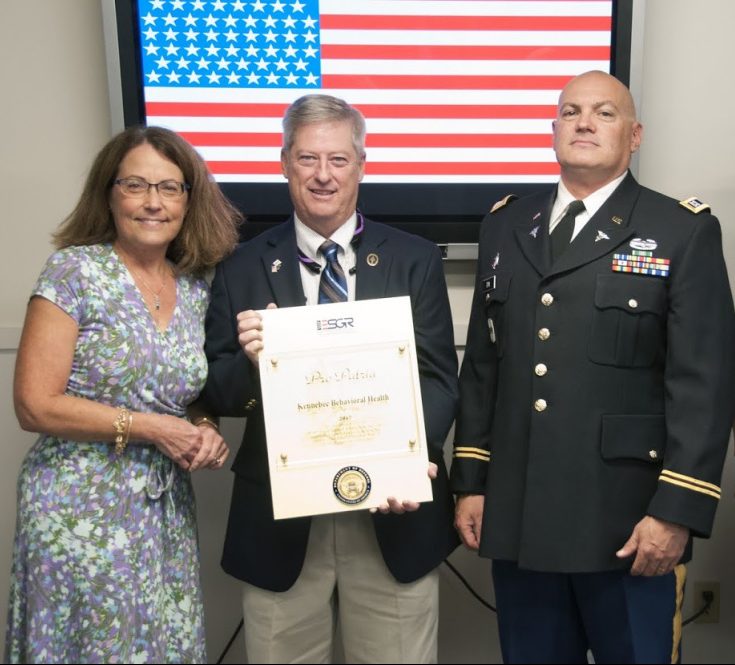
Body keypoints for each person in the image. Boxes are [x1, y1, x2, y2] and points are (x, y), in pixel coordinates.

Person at [451, 70, 735, 664]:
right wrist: (472, 482)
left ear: (635, 136)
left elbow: (703, 386)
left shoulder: (679, 230)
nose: (584, 122)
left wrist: (675, 512)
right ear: (553, 128)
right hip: (522, 515)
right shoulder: (505, 224)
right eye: (571, 110)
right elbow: (483, 366)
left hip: (629, 523)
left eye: (604, 113)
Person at [200, 94, 459, 664]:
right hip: (280, 520)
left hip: (393, 514)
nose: (323, 176)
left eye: (339, 160)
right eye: (308, 159)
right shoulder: (240, 266)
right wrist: (250, 362)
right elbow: (214, 392)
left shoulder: (414, 259)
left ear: (361, 166)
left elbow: (440, 378)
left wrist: (414, 457)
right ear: (285, 163)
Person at [5, 126, 242, 663]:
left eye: (170, 188)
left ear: (189, 199)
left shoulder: (198, 287)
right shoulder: (74, 273)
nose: (153, 202)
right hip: (76, 508)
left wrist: (204, 429)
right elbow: (34, 404)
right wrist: (155, 428)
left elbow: (190, 395)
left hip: (162, 512)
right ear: (108, 193)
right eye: (135, 185)